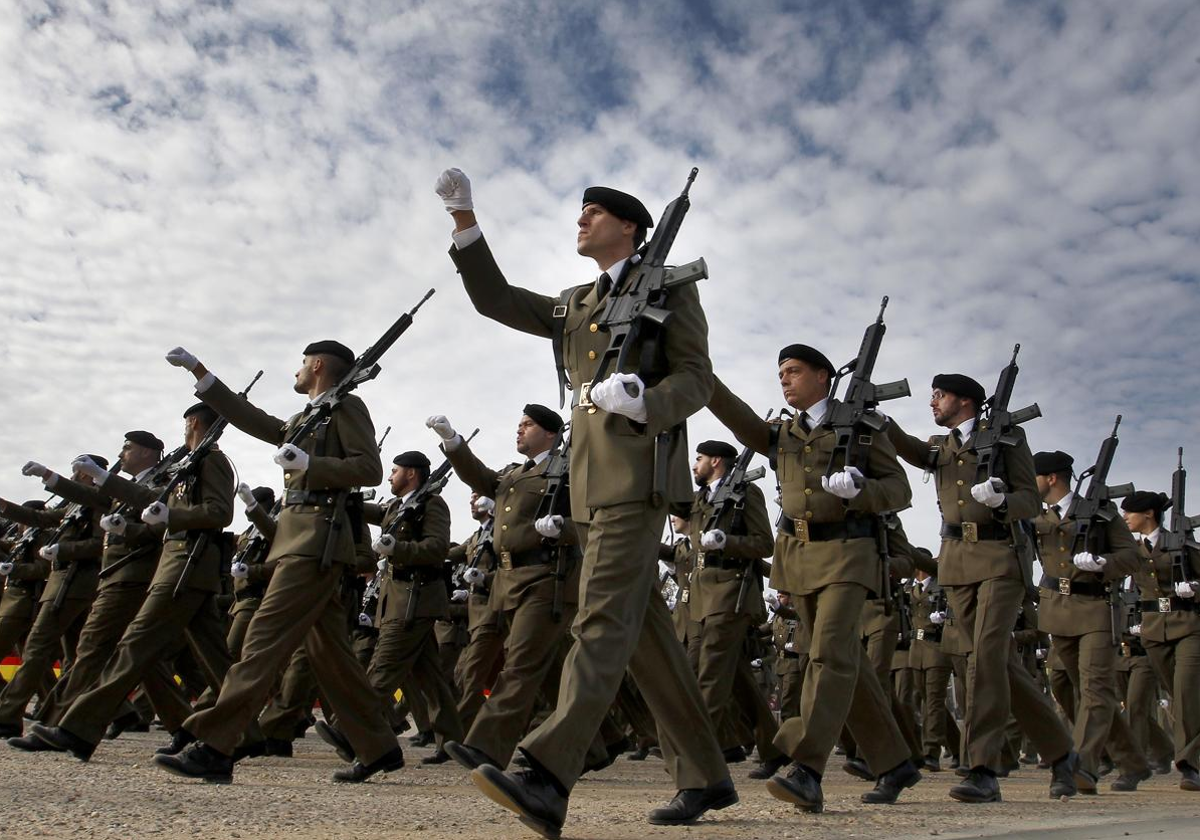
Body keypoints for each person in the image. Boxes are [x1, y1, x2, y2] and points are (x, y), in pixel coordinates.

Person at [436, 167, 732, 836]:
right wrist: (464, 221)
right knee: (647, 641)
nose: (581, 221)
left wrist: (647, 403)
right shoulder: (574, 302)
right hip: (589, 490)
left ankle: (547, 775)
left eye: (593, 213)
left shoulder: (671, 288)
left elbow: (697, 378)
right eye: (581, 212)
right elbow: (496, 299)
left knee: (597, 623)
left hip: (637, 479)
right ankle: (706, 776)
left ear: (628, 226)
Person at [148, 341, 401, 784]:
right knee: (332, 658)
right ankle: (377, 746)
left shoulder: (347, 407)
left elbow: (369, 470)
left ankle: (217, 744)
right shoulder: (306, 417)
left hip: (317, 541)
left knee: (262, 640)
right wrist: (200, 373)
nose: (298, 371)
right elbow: (255, 421)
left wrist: (311, 464)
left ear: (318, 366)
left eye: (304, 363)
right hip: (298, 539)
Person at [708, 344, 921, 813]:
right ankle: (894, 760)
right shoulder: (783, 433)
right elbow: (738, 418)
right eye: (780, 372)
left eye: (795, 371)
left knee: (828, 654)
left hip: (849, 551)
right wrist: (701, 376)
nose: (784, 379)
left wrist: (863, 489)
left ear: (824, 376)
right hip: (797, 554)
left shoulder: (862, 428)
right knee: (841, 660)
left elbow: (901, 489)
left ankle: (806, 768)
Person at [887, 374, 1079, 803]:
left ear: (965, 401)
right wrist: (879, 421)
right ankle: (1062, 753)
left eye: (940, 395)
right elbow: (914, 450)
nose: (932, 402)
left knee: (986, 658)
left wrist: (1003, 503)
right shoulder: (942, 446)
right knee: (997, 664)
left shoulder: (1009, 439)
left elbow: (1031, 498)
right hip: (956, 559)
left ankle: (982, 767)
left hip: (998, 557)